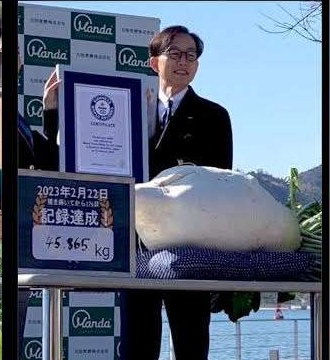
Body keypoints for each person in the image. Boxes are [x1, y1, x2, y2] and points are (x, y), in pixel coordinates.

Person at [125, 25, 233, 360]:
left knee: (191, 341)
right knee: (139, 342)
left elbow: (219, 183)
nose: (184, 61)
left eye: (191, 55)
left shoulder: (214, 117)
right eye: (174, 53)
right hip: (136, 242)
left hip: (189, 247)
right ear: (155, 62)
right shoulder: (128, 110)